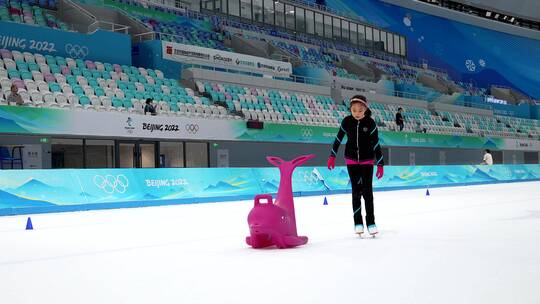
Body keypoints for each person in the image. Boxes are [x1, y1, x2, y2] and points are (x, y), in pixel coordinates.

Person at [327, 95, 384, 236]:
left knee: (367, 192)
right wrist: (332, 156)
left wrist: (380, 163)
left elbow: (376, 143)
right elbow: (338, 138)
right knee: (356, 192)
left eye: (360, 110)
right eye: (354, 110)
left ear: (365, 109)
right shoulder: (346, 122)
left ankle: (371, 222)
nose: (357, 113)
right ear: (350, 110)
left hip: (367, 160)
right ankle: (358, 223)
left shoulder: (370, 123)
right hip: (351, 160)